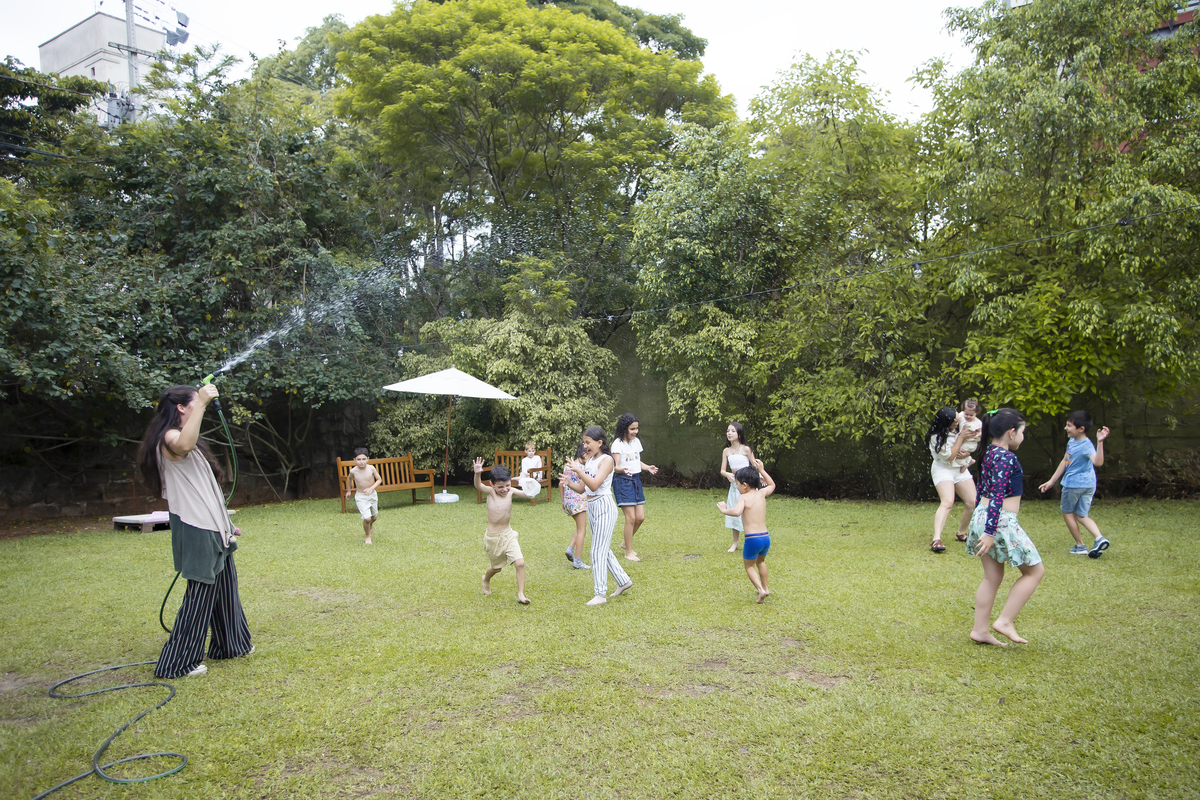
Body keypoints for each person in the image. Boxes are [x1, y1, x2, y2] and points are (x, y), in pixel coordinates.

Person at [137, 383, 252, 678]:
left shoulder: (191, 441)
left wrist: (226, 525)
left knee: (226, 586)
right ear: (181, 408)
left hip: (213, 528)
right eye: (192, 404)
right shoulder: (170, 438)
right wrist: (201, 401)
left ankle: (231, 645)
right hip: (195, 527)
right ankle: (177, 663)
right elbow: (184, 444)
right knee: (200, 594)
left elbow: (206, 490)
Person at [965, 408, 1044, 646]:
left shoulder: (988, 453)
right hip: (999, 520)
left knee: (992, 577)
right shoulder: (1007, 458)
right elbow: (997, 495)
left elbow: (982, 489)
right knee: (1035, 571)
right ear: (1011, 433)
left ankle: (980, 630)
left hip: (983, 516)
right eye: (1022, 432)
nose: (1023, 437)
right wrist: (989, 533)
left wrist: (977, 524)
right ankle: (1005, 621)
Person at [560, 426, 633, 606]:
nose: (585, 446)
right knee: (603, 548)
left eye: (588, 442)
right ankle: (624, 581)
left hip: (604, 506)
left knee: (597, 550)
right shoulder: (590, 460)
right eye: (584, 442)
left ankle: (600, 594)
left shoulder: (607, 460)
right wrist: (569, 482)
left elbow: (595, 485)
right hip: (592, 505)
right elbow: (584, 489)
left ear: (600, 443)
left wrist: (578, 470)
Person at [1038, 410, 1111, 558]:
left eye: (1069, 425)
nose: (1066, 428)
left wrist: (1100, 442)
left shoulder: (1086, 445)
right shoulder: (1072, 441)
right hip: (1089, 484)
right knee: (1081, 515)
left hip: (1073, 485)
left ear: (1081, 429)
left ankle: (1080, 546)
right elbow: (1065, 461)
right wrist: (1052, 481)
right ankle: (1099, 538)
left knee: (1068, 513)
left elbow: (1098, 461)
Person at [717, 458, 777, 603]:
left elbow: (737, 512)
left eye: (737, 484)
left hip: (752, 539)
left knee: (749, 566)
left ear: (745, 485)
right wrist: (762, 470)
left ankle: (760, 590)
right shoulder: (761, 494)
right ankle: (766, 588)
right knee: (761, 562)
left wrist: (724, 510)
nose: (736, 487)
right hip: (765, 538)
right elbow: (772, 484)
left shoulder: (743, 497)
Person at [473, 460, 532, 604]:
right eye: (500, 487)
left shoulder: (511, 491)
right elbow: (478, 485)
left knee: (520, 563)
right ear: (492, 485)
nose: (505, 489)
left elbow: (528, 494)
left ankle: (521, 594)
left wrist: (528, 483)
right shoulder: (491, 492)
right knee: (496, 569)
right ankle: (486, 579)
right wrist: (477, 473)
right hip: (493, 538)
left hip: (508, 534)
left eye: (507, 485)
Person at [927, 406, 979, 553]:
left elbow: (975, 427)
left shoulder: (959, 423)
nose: (958, 422)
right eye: (955, 421)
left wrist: (968, 451)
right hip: (943, 469)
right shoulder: (935, 437)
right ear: (946, 422)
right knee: (948, 502)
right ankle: (936, 540)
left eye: (958, 419)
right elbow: (949, 456)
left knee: (972, 502)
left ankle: (961, 533)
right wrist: (961, 437)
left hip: (959, 468)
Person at [611, 413, 659, 562]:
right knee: (630, 518)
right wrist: (622, 469)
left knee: (640, 517)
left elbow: (636, 461)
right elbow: (616, 466)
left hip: (636, 480)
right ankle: (628, 552)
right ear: (624, 428)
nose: (635, 431)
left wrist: (647, 467)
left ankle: (626, 543)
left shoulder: (636, 442)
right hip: (623, 481)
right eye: (632, 429)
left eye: (637, 428)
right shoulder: (617, 444)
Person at [719, 422, 755, 554]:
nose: (729, 433)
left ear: (739, 433)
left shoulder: (746, 449)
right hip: (734, 486)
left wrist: (760, 476)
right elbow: (722, 470)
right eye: (728, 431)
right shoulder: (726, 451)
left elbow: (754, 465)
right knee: (734, 512)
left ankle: (750, 540)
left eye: (733, 431)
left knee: (748, 514)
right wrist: (728, 474)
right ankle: (735, 542)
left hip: (747, 486)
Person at [561, 442, 591, 570]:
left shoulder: (568, 466)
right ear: (583, 454)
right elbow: (582, 488)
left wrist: (563, 501)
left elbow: (560, 484)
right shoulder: (583, 469)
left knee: (580, 527)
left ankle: (570, 549)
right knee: (582, 531)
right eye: (588, 455)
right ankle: (577, 561)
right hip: (579, 502)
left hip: (568, 501)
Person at [345, 447, 382, 544]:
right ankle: (367, 536)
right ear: (354, 460)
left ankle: (370, 524)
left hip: (372, 495)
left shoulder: (371, 468)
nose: (361, 462)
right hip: (361, 496)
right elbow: (349, 479)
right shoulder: (353, 471)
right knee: (367, 518)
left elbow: (379, 479)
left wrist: (371, 488)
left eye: (363, 459)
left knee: (374, 517)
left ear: (368, 459)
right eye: (359, 459)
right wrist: (349, 491)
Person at [950, 398, 984, 473]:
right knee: (956, 448)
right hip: (963, 439)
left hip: (970, 443)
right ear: (963, 411)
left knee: (959, 451)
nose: (968, 416)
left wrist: (978, 434)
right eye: (966, 414)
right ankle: (969, 460)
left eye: (971, 415)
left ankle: (965, 464)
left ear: (976, 413)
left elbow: (980, 432)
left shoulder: (977, 423)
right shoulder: (961, 415)